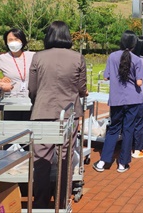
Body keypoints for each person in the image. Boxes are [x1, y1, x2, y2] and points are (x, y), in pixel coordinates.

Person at [28, 21, 87, 208]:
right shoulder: (78, 57)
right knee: (65, 157)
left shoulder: (38, 57)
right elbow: (82, 87)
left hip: (42, 111)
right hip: (68, 113)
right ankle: (61, 201)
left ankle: (40, 201)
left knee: (41, 159)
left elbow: (32, 88)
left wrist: (37, 100)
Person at [93, 30, 143, 174]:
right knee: (128, 130)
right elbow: (139, 83)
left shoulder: (112, 57)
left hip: (116, 99)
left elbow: (106, 77)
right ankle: (123, 163)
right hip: (133, 99)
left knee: (113, 129)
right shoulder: (137, 60)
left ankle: (103, 161)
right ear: (134, 44)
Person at [0, 28, 35, 121]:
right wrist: (0, 81)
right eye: (10, 40)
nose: (13, 42)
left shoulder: (32, 56)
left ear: (22, 40)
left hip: (30, 101)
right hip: (11, 101)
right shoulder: (2, 58)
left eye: (16, 39)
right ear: (6, 42)